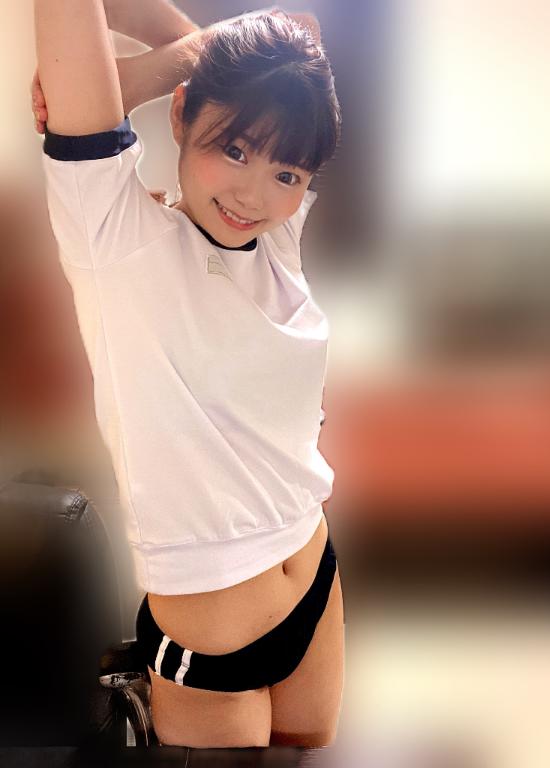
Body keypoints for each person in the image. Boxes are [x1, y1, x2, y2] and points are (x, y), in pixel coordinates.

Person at [34, 0, 343, 748]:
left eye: (287, 172)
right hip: (212, 636)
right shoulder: (114, 235)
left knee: (310, 752)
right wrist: (143, 79)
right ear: (180, 116)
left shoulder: (277, 237)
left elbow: (298, 29)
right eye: (233, 150)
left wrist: (145, 76)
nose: (253, 195)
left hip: (313, 570)